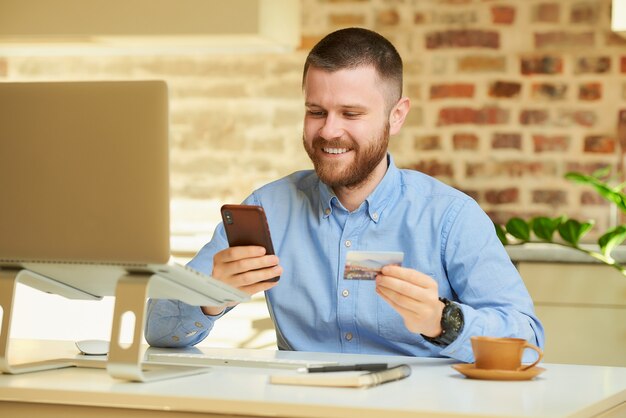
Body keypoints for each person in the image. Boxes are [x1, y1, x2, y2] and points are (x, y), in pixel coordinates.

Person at [145, 27, 544, 363]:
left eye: (351, 114)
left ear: (397, 115)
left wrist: (443, 321)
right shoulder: (267, 209)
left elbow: (528, 344)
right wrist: (209, 297)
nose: (329, 131)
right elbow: (156, 329)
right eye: (316, 111)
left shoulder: (451, 218)